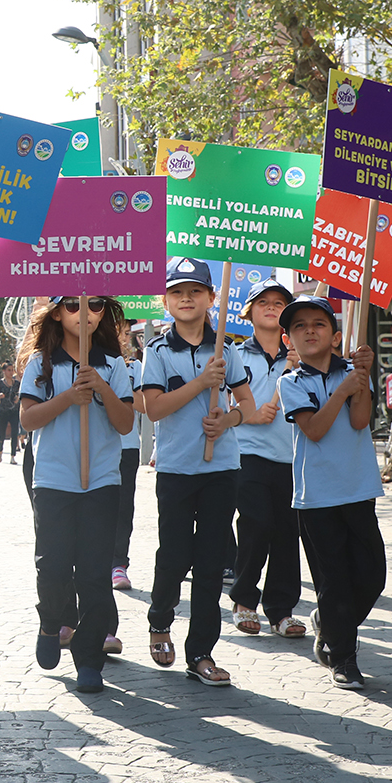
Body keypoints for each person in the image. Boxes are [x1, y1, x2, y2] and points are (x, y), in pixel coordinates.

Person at [139, 259, 256, 688]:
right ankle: (159, 621)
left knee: (210, 562)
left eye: (194, 291)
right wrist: (200, 383)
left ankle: (201, 652)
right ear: (165, 301)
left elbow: (250, 408)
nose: (186, 299)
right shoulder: (156, 351)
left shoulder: (229, 349)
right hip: (174, 469)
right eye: (177, 292)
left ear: (212, 297)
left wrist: (227, 421)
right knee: (173, 556)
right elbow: (153, 408)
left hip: (221, 469)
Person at [18, 297, 135, 694]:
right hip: (53, 480)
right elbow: (28, 419)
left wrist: (101, 387)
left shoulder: (113, 365)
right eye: (71, 305)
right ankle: (51, 622)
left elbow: (124, 423)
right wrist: (68, 397)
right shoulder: (40, 363)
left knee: (94, 575)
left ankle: (89, 659)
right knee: (52, 569)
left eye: (95, 305)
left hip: (100, 481)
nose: (84, 313)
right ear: (55, 312)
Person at [278, 296, 385, 689]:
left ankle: (329, 621)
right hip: (317, 496)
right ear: (289, 340)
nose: (309, 330)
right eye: (300, 326)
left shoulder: (356, 371)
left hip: (358, 489)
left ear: (336, 335)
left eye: (319, 324)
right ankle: (343, 657)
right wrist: (342, 390)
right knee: (334, 580)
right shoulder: (290, 382)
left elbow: (360, 421)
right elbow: (315, 429)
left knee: (373, 576)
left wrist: (362, 381)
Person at [229, 279, 309, 640]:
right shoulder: (232, 355)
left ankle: (281, 610)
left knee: (287, 534)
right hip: (246, 454)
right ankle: (244, 599)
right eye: (263, 301)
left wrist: (298, 368)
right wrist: (248, 415)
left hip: (291, 456)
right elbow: (218, 405)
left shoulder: (301, 357)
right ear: (249, 311)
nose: (272, 307)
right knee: (256, 524)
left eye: (280, 302)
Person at [109, 318, 145, 594]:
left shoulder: (135, 367)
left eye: (126, 331)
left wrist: (125, 385)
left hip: (126, 446)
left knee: (122, 507)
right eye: (119, 329)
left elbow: (144, 406)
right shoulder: (89, 362)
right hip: (95, 446)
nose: (124, 335)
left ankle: (118, 563)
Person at [0, 362, 21, 465]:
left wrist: (18, 398)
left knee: (15, 433)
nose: (11, 372)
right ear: (4, 371)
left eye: (12, 370)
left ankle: (13, 456)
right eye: (8, 370)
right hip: (3, 411)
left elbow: (20, 393)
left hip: (14, 411)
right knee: (2, 433)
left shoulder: (17, 384)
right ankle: (0, 451)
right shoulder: (0, 383)